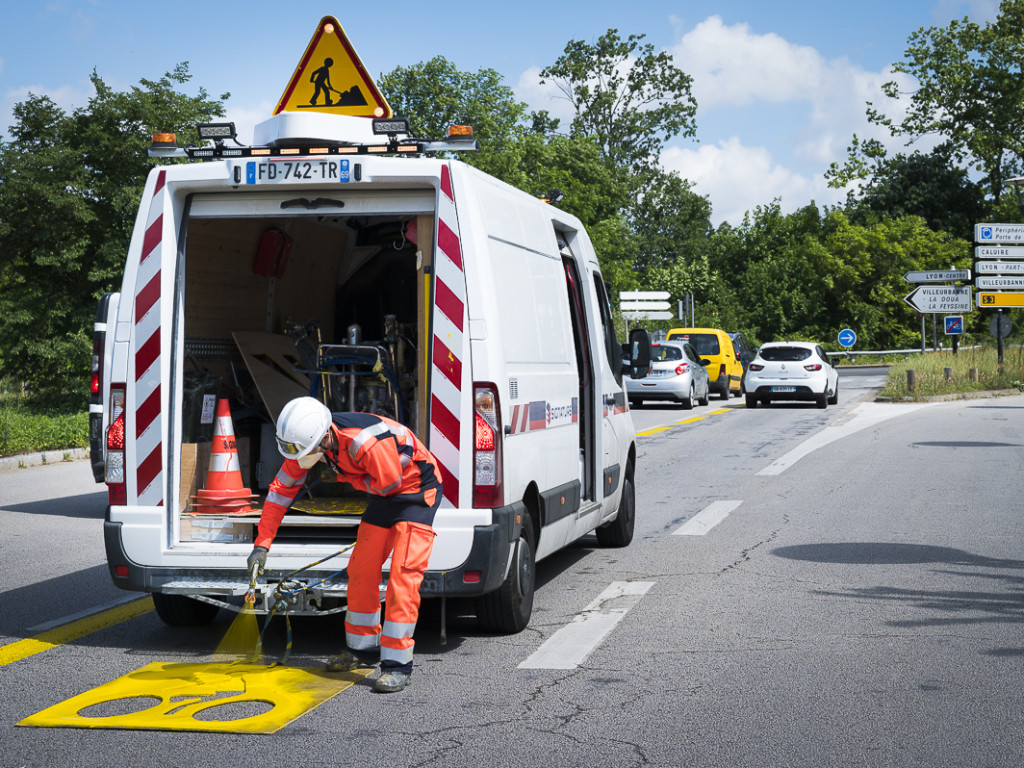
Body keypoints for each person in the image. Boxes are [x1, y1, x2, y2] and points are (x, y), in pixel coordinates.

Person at [247, 396, 441, 693]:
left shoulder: (363, 443)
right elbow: (279, 492)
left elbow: (388, 483)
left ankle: (397, 666)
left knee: (403, 577)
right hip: (384, 493)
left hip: (415, 490)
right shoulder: (307, 442)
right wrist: (262, 545)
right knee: (362, 569)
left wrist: (348, 479)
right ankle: (362, 651)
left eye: (306, 453)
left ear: (325, 437)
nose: (300, 461)